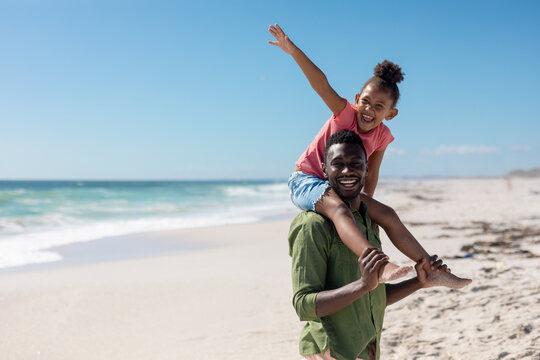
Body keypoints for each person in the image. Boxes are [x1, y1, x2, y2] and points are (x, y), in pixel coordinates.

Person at [269, 24, 452, 283]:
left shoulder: (382, 136)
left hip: (341, 185)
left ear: (390, 114)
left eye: (379, 107)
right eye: (365, 101)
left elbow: (372, 173)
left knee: (387, 214)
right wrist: (293, 51)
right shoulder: (345, 113)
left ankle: (432, 270)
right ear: (357, 98)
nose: (368, 110)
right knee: (339, 210)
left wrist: (366, 207)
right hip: (306, 181)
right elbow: (321, 85)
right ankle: (380, 265)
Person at [289, 130, 470, 360]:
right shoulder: (312, 225)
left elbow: (374, 295)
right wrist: (363, 285)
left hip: (367, 347)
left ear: (367, 168)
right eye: (338, 164)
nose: (347, 170)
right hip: (331, 351)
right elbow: (303, 305)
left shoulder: (369, 221)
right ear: (324, 170)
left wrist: (419, 282)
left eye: (356, 163)